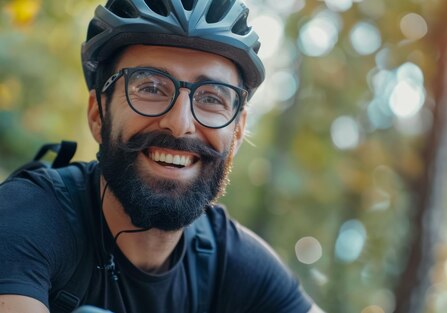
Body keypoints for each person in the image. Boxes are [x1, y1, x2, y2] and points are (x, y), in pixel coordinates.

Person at [0, 0, 323, 312]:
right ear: (98, 113)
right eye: (151, 88)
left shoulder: (231, 259)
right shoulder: (24, 219)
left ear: (237, 132)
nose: (180, 124)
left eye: (212, 98)